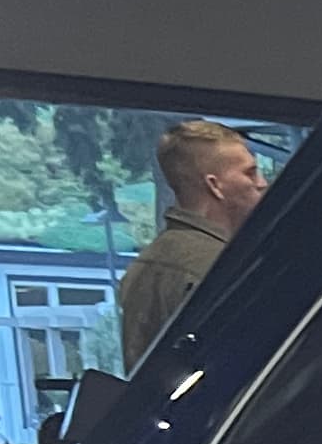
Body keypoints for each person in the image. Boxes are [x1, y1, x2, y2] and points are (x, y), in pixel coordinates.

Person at [114, 119, 269, 364]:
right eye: (250, 172)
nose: (261, 183)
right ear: (215, 186)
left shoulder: (142, 267)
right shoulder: (219, 269)